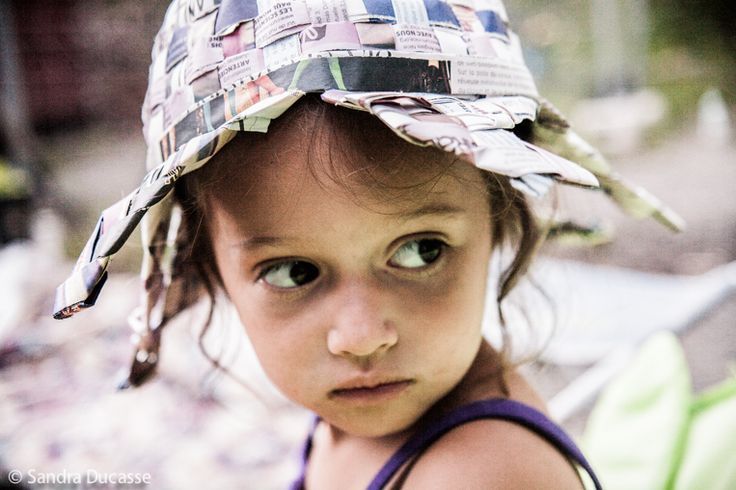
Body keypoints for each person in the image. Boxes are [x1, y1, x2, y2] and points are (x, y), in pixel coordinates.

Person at [53, 0, 680, 487]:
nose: (360, 336)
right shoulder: (367, 405)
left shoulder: (483, 473)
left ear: (500, 222)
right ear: (211, 267)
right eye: (294, 272)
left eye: (420, 250)